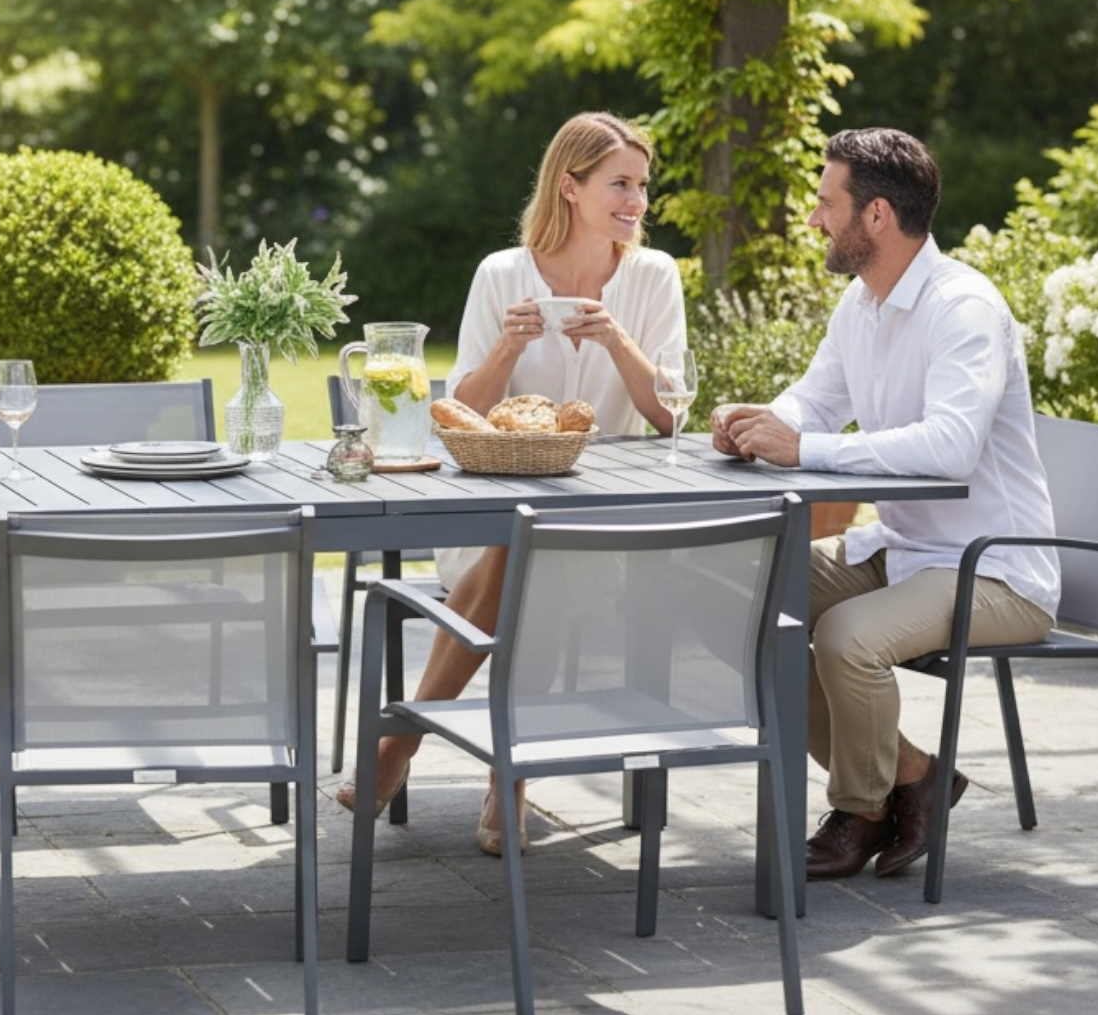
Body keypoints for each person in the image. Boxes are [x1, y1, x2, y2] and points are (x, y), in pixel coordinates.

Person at [712, 127, 1059, 880]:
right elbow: (815, 399)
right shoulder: (861, 304)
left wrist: (802, 450)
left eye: (824, 203)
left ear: (875, 216)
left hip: (995, 567)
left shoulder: (963, 309)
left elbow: (949, 448)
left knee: (845, 638)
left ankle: (861, 808)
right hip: (903, 551)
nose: (813, 219)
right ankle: (913, 774)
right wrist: (758, 423)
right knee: (738, 597)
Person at [337, 111, 686, 854]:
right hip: (494, 515)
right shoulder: (503, 274)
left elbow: (669, 417)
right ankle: (508, 776)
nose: (637, 200)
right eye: (619, 183)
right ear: (570, 186)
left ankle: (402, 748)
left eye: (642, 185)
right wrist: (507, 346)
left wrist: (616, 337)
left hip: (614, 528)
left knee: (530, 551)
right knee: (519, 546)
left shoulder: (654, 278)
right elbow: (456, 409)